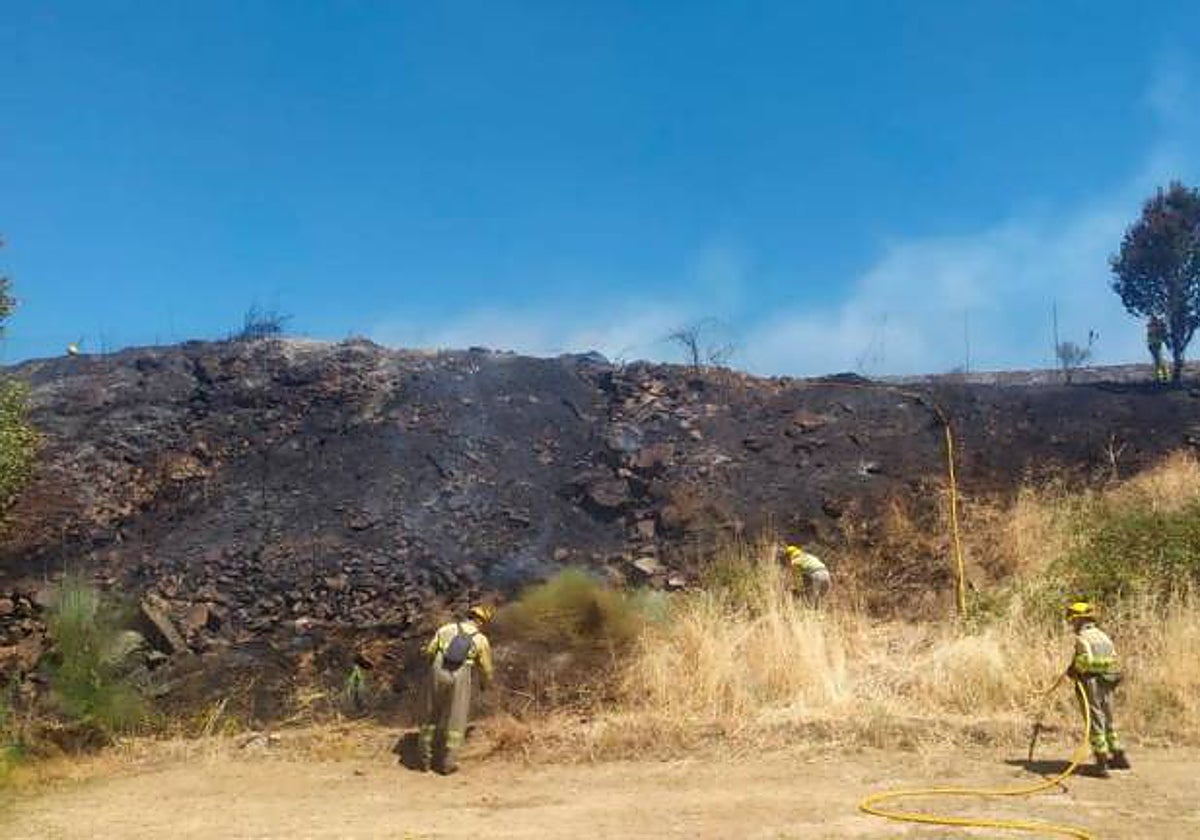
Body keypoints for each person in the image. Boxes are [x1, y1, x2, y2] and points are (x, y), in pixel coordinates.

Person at [418, 604, 495, 774]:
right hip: (461, 674)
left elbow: (430, 652)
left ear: (468, 615)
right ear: (482, 622)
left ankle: (424, 759)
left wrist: (433, 672)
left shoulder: (445, 629)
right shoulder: (481, 639)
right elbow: (486, 668)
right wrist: (485, 683)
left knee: (430, 713)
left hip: (438, 669)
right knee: (456, 719)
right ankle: (447, 764)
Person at [1065, 601, 1129, 777]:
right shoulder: (1103, 636)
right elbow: (1112, 658)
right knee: (1108, 716)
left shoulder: (1082, 638)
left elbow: (1084, 663)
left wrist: (1074, 670)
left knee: (1095, 718)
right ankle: (1118, 755)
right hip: (1108, 680)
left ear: (1078, 620)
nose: (1071, 624)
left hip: (1091, 681)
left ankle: (1101, 762)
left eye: (1072, 621)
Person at [1147, 316, 1169, 383]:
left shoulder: (1152, 326)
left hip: (1156, 345)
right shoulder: (1152, 327)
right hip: (1154, 345)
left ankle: (1163, 377)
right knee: (1158, 362)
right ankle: (1160, 377)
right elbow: (1157, 332)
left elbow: (1161, 333)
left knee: (1160, 361)